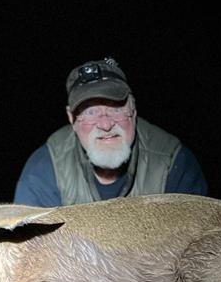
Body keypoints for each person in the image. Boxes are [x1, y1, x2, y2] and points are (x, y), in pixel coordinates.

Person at [14, 57, 207, 206]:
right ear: (71, 118)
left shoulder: (174, 162)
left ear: (133, 109)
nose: (106, 124)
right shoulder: (44, 169)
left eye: (116, 108)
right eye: (90, 112)